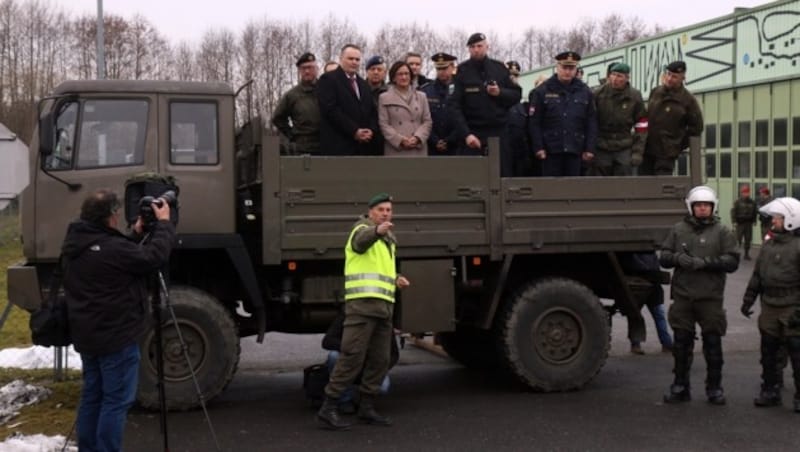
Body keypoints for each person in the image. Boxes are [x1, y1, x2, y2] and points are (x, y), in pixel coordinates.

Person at [63, 189, 176, 451]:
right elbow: (154, 257)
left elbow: (112, 255)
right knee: (115, 401)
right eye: (115, 212)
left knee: (92, 396)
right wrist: (165, 225)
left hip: (88, 336)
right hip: (116, 338)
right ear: (109, 218)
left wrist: (135, 234)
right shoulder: (113, 250)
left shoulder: (75, 244)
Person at [317, 193, 411, 430]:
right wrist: (377, 232)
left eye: (389, 209)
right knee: (351, 357)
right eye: (381, 209)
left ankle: (367, 408)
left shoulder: (387, 238)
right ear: (370, 211)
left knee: (381, 360)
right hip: (362, 307)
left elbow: (378, 270)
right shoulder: (362, 229)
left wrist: (396, 279)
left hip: (383, 308)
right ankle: (328, 408)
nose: (385, 213)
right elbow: (360, 244)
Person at [659, 185, 739, 405]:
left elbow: (732, 261)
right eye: (698, 205)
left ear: (713, 207)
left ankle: (714, 388)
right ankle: (680, 386)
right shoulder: (678, 229)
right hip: (684, 297)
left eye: (706, 205)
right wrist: (676, 258)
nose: (703, 209)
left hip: (710, 298)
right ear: (691, 207)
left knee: (713, 344)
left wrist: (705, 264)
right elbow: (663, 256)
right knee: (681, 345)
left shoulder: (722, 232)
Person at [741, 197, 800, 413]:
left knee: (796, 352)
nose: (773, 221)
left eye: (778, 218)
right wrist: (748, 300)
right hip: (770, 307)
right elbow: (757, 276)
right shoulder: (768, 245)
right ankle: (770, 391)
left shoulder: (798, 247)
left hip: (792, 306)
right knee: (768, 351)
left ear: (791, 220)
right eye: (774, 217)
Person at [448, 32, 521, 176]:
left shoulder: (499, 69)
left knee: (501, 175)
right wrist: (466, 134)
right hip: (473, 133)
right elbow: (454, 106)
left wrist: (500, 93)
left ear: (487, 47)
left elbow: (516, 95)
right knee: (472, 179)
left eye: (479, 46)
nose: (476, 49)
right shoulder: (462, 71)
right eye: (472, 47)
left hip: (498, 133)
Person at [529, 51, 597, 177]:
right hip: (551, 150)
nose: (567, 71)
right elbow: (534, 122)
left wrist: (589, 148)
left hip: (575, 149)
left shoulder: (584, 91)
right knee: (552, 190)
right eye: (564, 67)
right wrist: (538, 147)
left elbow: (591, 121)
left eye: (571, 68)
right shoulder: (543, 90)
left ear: (576, 69)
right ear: (557, 67)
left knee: (573, 189)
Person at [322, 311, 400, 414]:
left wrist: (378, 369)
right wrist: (352, 348)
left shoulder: (382, 321)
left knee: (383, 387)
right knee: (333, 356)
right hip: (349, 361)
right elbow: (327, 341)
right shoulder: (347, 315)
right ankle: (344, 400)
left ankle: (362, 399)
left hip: (370, 365)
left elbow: (393, 354)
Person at [640, 61, 703, 175]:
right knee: (644, 186)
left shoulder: (688, 100)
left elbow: (696, 128)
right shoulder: (656, 92)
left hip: (666, 152)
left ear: (682, 77)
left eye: (674, 76)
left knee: (661, 186)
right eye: (668, 74)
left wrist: (677, 145)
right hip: (647, 149)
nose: (669, 78)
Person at [317, 44, 380, 156]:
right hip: (339, 147)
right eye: (350, 59)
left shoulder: (364, 84)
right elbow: (331, 110)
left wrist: (371, 130)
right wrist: (354, 131)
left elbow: (372, 111)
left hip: (363, 148)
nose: (354, 62)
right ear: (341, 59)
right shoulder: (328, 80)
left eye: (357, 59)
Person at [589, 62, 647, 176]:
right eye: (613, 75)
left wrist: (637, 152)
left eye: (619, 76)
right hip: (602, 146)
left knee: (624, 181)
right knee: (599, 183)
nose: (615, 79)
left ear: (627, 78)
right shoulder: (598, 94)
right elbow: (590, 122)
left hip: (624, 145)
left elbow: (642, 125)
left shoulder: (634, 96)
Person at [378, 61, 432, 156]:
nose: (404, 77)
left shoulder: (421, 96)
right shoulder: (384, 97)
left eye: (406, 74)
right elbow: (383, 124)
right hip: (396, 149)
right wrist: (400, 140)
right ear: (393, 77)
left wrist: (417, 138)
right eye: (400, 74)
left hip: (418, 148)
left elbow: (427, 121)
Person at [271, 52, 321, 155]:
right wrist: (292, 135)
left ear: (317, 68)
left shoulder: (326, 90)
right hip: (303, 148)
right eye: (303, 68)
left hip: (326, 145)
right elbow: (277, 118)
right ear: (299, 71)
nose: (307, 71)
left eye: (310, 67)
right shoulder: (292, 95)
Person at [421, 52, 458, 156]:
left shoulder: (460, 89)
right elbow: (422, 119)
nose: (441, 72)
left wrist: (449, 141)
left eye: (445, 68)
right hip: (431, 146)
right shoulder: (426, 90)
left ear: (452, 67)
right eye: (438, 69)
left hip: (456, 146)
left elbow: (464, 117)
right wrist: (435, 141)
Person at [731, 185, 758, 260]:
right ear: (741, 193)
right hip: (740, 223)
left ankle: (746, 254)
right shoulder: (737, 202)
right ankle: (735, 254)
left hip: (748, 223)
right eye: (744, 192)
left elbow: (755, 212)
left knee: (748, 239)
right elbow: (733, 212)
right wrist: (734, 221)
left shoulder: (752, 202)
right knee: (738, 239)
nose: (746, 194)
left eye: (747, 192)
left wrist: (754, 220)